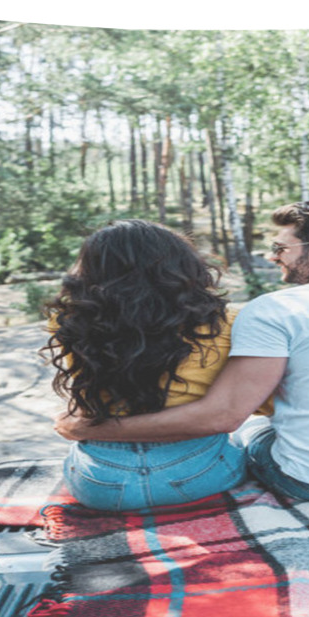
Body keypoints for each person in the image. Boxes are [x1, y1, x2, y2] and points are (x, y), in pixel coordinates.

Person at [55, 200, 309, 504]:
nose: (272, 256)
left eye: (280, 248)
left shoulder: (279, 308)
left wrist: (91, 427)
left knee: (252, 430)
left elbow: (226, 413)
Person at [45, 219, 264, 511]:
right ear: (184, 266)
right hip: (198, 474)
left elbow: (85, 403)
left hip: (99, 483)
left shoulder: (69, 321)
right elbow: (255, 405)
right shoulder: (230, 322)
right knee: (252, 436)